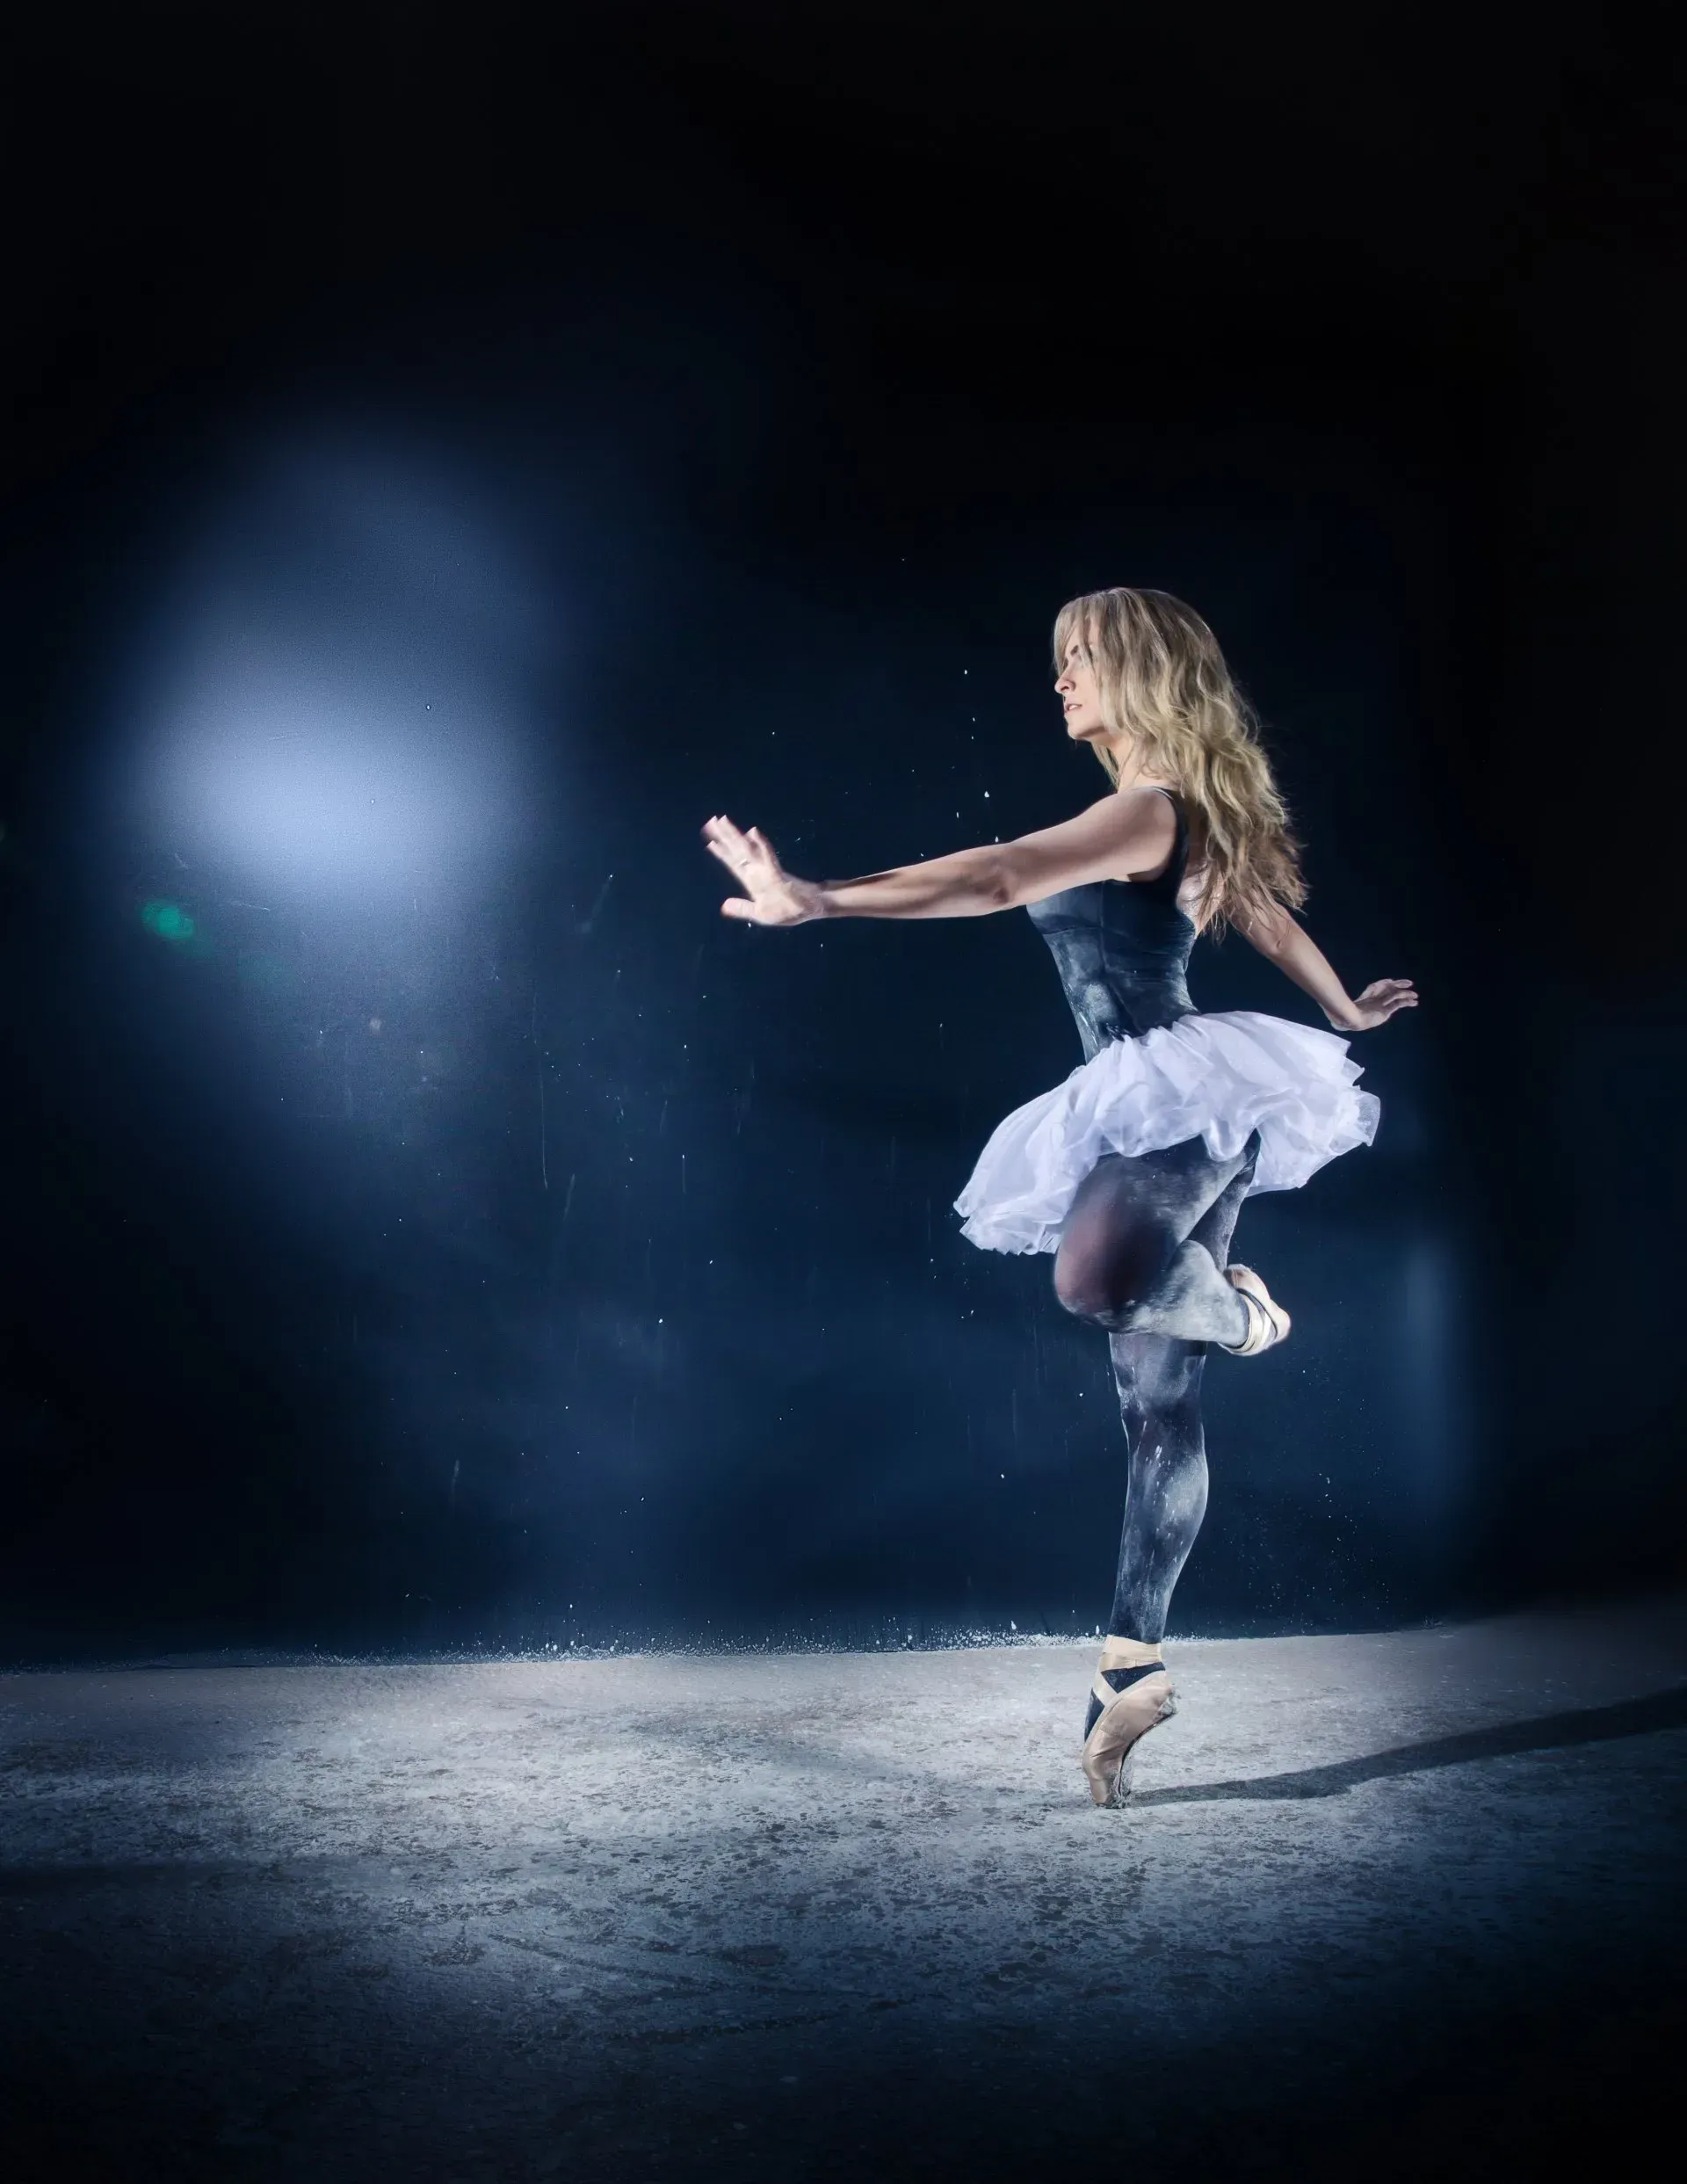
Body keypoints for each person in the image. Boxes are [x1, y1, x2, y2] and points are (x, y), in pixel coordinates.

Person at [702, 586, 1415, 1805]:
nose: (1060, 681)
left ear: (1138, 673)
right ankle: (1129, 1661)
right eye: (1058, 663)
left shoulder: (1145, 809)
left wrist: (822, 898)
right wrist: (1340, 1002)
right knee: (1153, 1406)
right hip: (1141, 1107)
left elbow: (997, 878)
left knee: (1092, 1279)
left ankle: (1244, 1313)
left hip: (1178, 1103)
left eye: (1079, 661)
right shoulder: (1160, 815)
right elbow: (1255, 902)